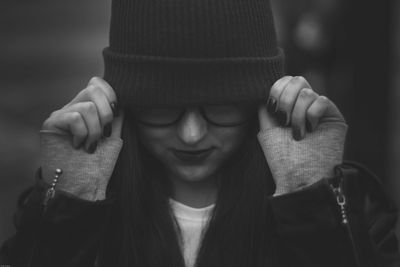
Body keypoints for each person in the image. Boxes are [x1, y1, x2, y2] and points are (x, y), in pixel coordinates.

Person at [1, 0, 399, 266]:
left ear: (261, 100)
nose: (191, 135)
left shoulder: (349, 210)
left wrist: (311, 197)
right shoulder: (75, 208)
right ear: (126, 104)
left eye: (221, 107)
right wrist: (68, 205)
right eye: (163, 108)